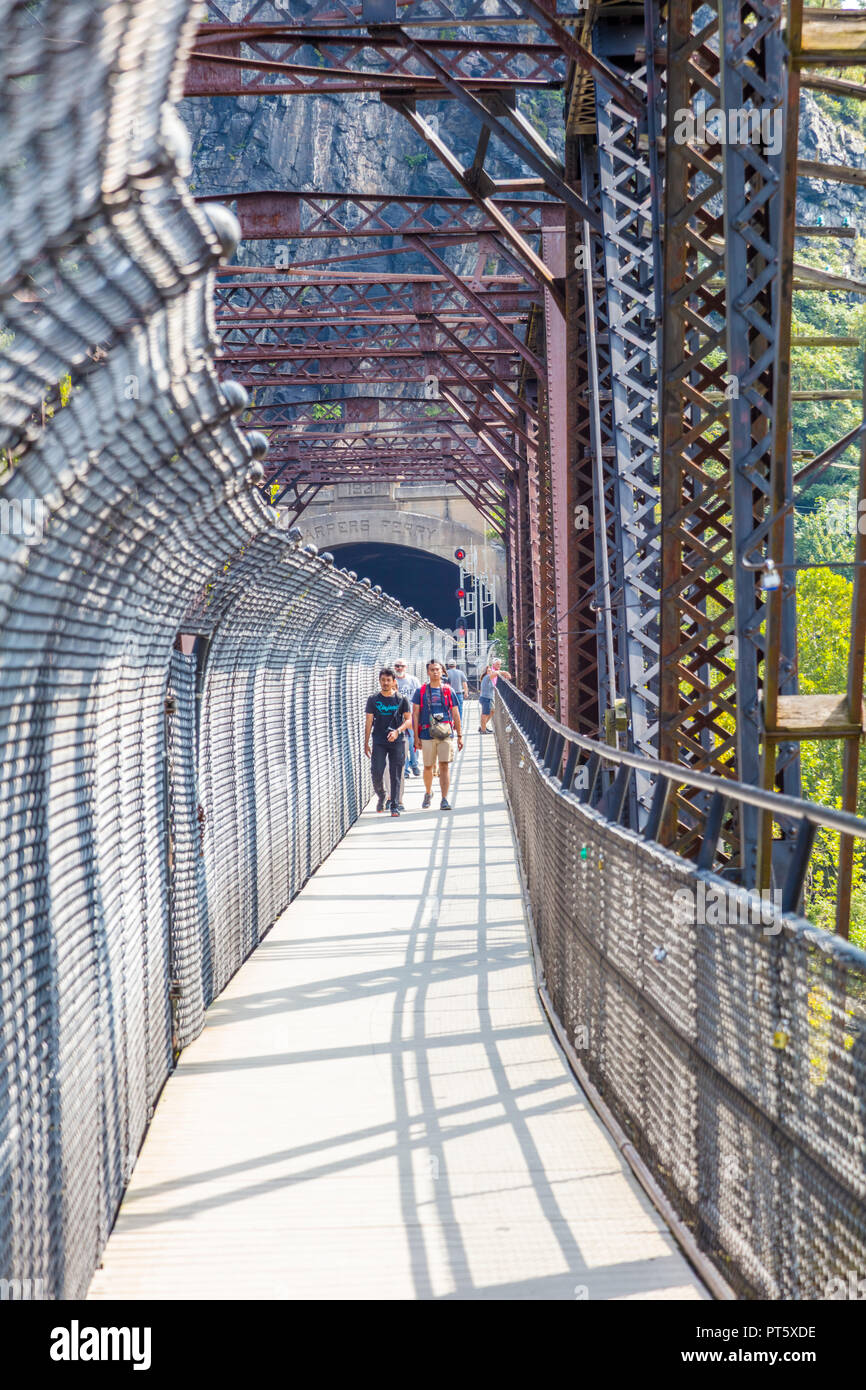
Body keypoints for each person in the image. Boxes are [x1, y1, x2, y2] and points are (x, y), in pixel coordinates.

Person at [413, 659, 463, 811]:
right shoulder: (420, 691)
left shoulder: (448, 690)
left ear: (442, 671)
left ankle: (444, 798)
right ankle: (428, 792)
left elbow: (455, 713)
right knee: (428, 766)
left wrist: (460, 735)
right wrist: (416, 737)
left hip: (445, 733)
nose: (435, 672)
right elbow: (415, 714)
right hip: (427, 733)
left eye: (437, 669)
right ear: (428, 672)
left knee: (444, 765)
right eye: (432, 670)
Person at [365, 668, 412, 818]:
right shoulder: (373, 700)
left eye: (388, 680)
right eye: (383, 680)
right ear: (379, 681)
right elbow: (369, 721)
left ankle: (395, 805)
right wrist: (366, 743)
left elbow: (409, 720)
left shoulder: (401, 699)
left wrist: (398, 731)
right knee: (376, 771)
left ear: (393, 682)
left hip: (397, 740)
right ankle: (381, 794)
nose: (385, 683)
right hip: (379, 740)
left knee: (396, 773)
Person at [393, 658, 420, 796]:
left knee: (413, 742)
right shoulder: (392, 681)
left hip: (412, 715)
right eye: (397, 666)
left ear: (406, 667)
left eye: (401, 666)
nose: (399, 668)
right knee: (403, 744)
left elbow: (419, 696)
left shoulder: (413, 680)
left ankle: (414, 764)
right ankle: (408, 769)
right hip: (398, 717)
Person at [479, 656, 511, 733]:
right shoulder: (487, 677)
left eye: (490, 670)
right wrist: (504, 672)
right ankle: (483, 730)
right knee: (485, 713)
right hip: (486, 698)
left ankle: (483, 726)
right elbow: (496, 672)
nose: (490, 671)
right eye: (489, 670)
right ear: (486, 672)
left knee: (492, 711)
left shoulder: (488, 678)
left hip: (489, 697)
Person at [444, 657, 469, 726]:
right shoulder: (460, 672)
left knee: (449, 709)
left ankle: (450, 723)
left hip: (449, 694)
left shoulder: (446, 673)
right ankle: (459, 724)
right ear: (455, 665)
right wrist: (466, 692)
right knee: (459, 709)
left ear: (448, 665)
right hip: (459, 694)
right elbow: (464, 683)